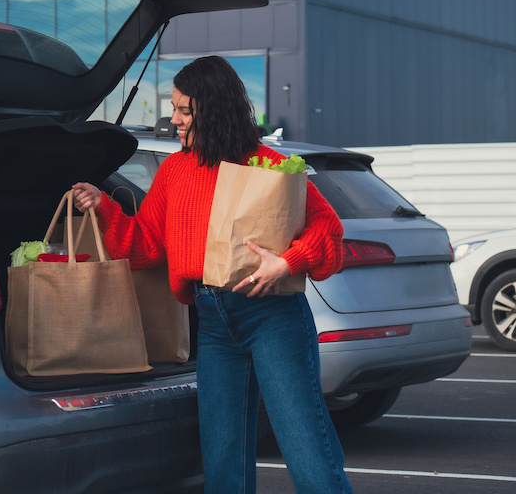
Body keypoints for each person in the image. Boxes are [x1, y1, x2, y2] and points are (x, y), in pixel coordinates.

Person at [72, 55, 353, 494]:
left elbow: (329, 231)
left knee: (305, 447)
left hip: (273, 316)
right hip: (213, 321)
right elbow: (147, 244)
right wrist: (104, 206)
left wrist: (289, 261)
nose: (174, 118)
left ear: (213, 108)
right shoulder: (173, 171)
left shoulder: (266, 164)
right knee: (222, 458)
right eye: (174, 107)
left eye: (185, 110)